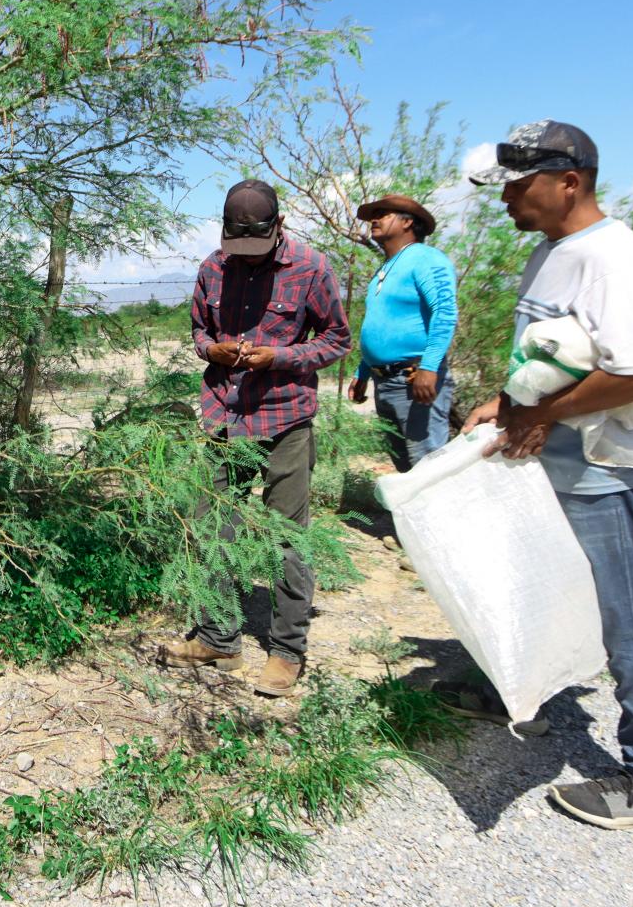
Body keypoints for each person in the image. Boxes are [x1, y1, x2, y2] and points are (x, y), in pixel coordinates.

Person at [460, 120, 633, 831]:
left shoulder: (611, 257)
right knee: (543, 594)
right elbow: (548, 355)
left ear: (570, 181)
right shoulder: (552, 251)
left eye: (518, 184)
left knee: (632, 626)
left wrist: (545, 417)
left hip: (616, 478)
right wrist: (503, 404)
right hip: (566, 472)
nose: (505, 198)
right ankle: (522, 698)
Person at [159, 179, 351, 696]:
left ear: (279, 227)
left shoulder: (311, 267)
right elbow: (199, 331)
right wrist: (212, 350)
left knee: (289, 537)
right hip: (224, 416)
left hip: (285, 418)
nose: (244, 259)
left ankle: (287, 651)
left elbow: (336, 339)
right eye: (235, 247)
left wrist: (281, 356)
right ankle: (219, 638)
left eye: (255, 248)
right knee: (210, 525)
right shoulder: (211, 269)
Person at [347, 195, 458, 472]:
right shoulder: (385, 268)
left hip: (414, 381)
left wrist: (430, 367)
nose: (375, 219)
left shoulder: (426, 258)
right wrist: (363, 372)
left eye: (384, 214)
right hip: (385, 383)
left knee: (428, 471)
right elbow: (382, 325)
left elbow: (444, 312)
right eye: (375, 214)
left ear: (408, 222)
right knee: (407, 470)